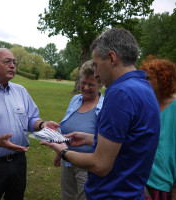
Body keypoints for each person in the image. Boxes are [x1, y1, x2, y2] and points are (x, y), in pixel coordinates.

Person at [41, 27, 161, 199]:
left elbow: (100, 165)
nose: (96, 73)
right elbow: (131, 140)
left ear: (112, 58)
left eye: (97, 65)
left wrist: (63, 151)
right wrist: (91, 138)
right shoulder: (143, 87)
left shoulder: (120, 92)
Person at [0, 48, 60, 200]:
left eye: (14, 62)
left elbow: (31, 119)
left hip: (19, 162)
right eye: (7, 61)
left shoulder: (20, 91)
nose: (13, 65)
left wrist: (42, 125)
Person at [56, 59, 103, 200]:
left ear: (101, 85)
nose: (86, 87)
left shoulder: (105, 107)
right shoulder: (76, 99)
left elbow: (107, 141)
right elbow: (65, 126)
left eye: (91, 84)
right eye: (84, 83)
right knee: (67, 196)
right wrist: (60, 151)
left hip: (88, 165)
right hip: (68, 160)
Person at [140, 58, 176, 200]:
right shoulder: (147, 104)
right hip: (142, 177)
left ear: (163, 80)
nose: (143, 82)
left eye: (148, 78)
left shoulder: (174, 106)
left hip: (163, 183)